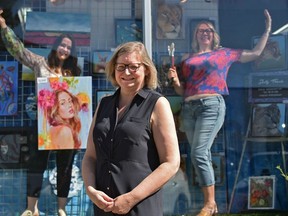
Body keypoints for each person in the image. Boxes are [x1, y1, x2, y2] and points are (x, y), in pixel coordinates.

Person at [168, 9, 272, 216]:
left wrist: (268, 28)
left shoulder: (223, 53)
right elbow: (182, 91)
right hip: (189, 108)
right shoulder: (187, 58)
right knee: (199, 155)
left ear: (214, 36)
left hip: (211, 105)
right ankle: (204, 203)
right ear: (195, 35)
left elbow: (256, 53)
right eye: (201, 30)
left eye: (209, 30)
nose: (205, 33)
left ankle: (210, 204)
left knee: (199, 153)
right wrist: (175, 81)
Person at [82, 41, 180, 216]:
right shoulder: (104, 104)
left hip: (141, 208)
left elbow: (171, 163)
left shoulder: (157, 104)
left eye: (133, 67)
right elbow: (90, 156)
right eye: (121, 67)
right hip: (103, 208)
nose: (126, 72)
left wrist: (131, 198)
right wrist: (91, 191)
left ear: (146, 69)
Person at [0, 9, 81, 216]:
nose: (65, 49)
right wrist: (3, 26)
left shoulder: (76, 72)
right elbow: (18, 50)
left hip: (68, 128)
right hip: (44, 125)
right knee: (36, 165)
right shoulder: (40, 63)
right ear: (55, 47)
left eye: (68, 47)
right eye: (62, 44)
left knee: (65, 167)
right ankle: (31, 208)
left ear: (72, 51)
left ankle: (61, 209)